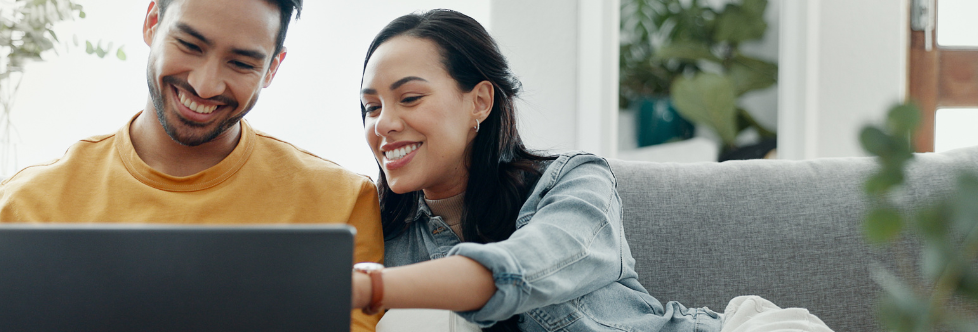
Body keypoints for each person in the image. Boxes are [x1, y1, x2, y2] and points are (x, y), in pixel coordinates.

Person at [349, 9, 833, 332]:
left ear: (479, 101)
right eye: (371, 108)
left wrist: (369, 287)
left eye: (409, 98)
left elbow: (521, 270)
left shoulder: (574, 183)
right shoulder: (381, 232)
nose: (384, 124)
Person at [0, 0, 385, 331]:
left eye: (241, 63)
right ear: (152, 22)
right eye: (190, 45)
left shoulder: (341, 202)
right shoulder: (28, 204)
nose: (205, 83)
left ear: (273, 68)